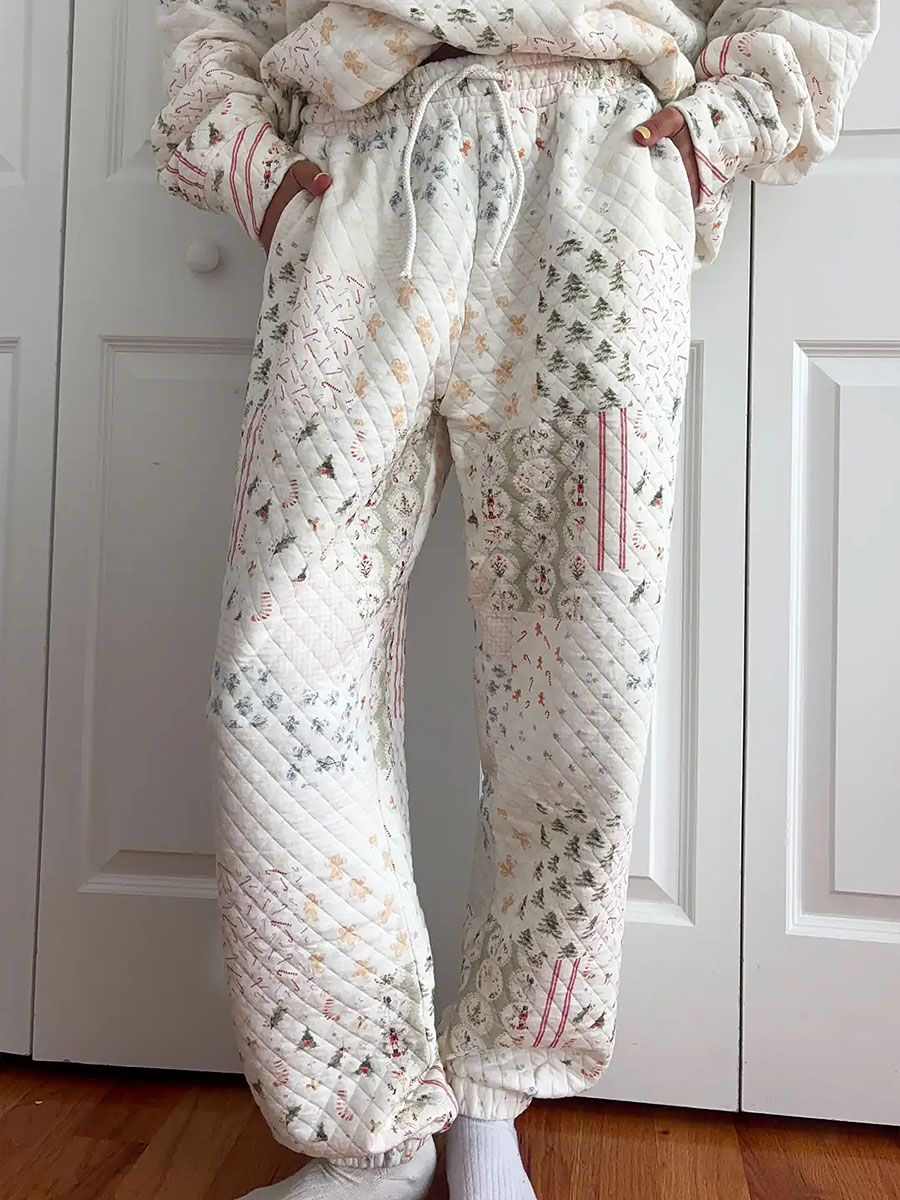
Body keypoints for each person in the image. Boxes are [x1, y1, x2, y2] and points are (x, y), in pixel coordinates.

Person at [153, 4, 877, 1198]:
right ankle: (371, 1136)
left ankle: (497, 1091)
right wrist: (251, 163)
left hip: (597, 167)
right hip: (356, 169)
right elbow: (211, 16)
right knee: (277, 671)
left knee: (583, 669)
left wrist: (718, 131)